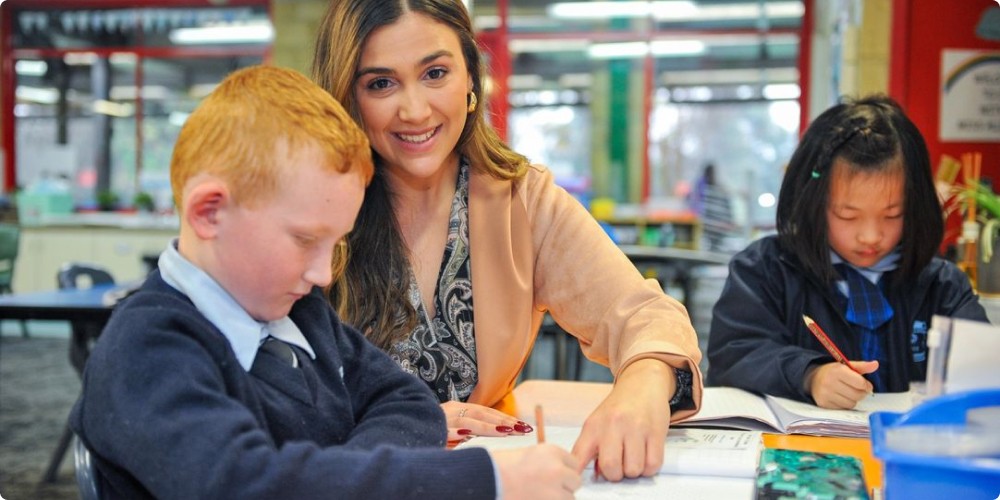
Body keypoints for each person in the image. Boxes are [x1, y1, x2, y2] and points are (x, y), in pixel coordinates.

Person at [69, 65, 581, 499]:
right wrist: (483, 481)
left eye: (334, 244)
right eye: (303, 239)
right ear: (209, 212)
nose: (323, 273)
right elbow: (249, 487)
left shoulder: (299, 313)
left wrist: (333, 474)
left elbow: (408, 403)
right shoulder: (148, 353)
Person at [312, 0, 703, 481]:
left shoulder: (521, 199)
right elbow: (252, 392)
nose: (415, 110)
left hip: (492, 478)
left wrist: (643, 383)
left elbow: (643, 314)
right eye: (381, 83)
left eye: (435, 73)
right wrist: (409, 425)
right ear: (346, 97)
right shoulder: (308, 207)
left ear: (471, 79)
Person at [706, 95, 989, 410]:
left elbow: (982, 371)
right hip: (804, 453)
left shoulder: (942, 286)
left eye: (892, 215)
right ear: (812, 203)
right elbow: (734, 355)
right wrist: (809, 375)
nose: (871, 236)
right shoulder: (763, 270)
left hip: (909, 447)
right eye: (847, 216)